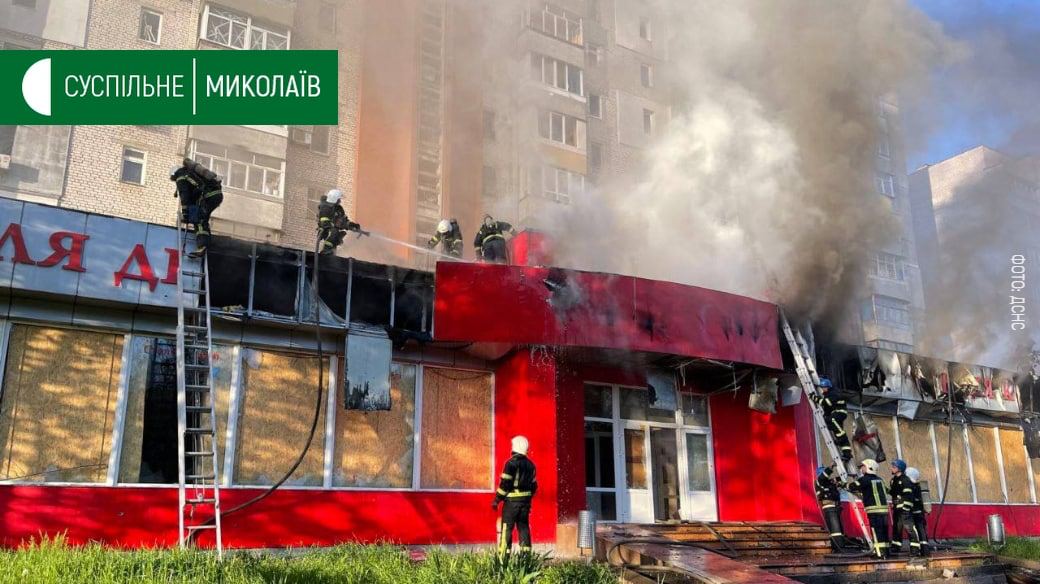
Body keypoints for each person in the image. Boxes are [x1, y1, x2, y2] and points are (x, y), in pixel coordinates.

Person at [492, 435, 537, 554]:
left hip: (511, 503)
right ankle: (525, 558)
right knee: (524, 528)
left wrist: (497, 500)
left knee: (507, 529)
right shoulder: (531, 465)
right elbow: (534, 486)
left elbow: (505, 484)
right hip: (525, 504)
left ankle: (503, 558)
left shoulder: (511, 463)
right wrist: (527, 500)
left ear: (516, 446)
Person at [170, 159, 223, 257]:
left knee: (199, 220)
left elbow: (185, 196)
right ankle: (205, 244)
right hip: (216, 195)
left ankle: (202, 246)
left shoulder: (180, 177)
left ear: (174, 175)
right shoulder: (190, 174)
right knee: (202, 218)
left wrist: (185, 214)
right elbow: (194, 194)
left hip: (208, 196)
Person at [848, 458, 890, 559]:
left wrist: (842, 484)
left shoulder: (864, 479)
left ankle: (879, 554)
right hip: (884, 510)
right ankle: (886, 552)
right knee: (884, 531)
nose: (861, 468)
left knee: (876, 531)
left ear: (868, 468)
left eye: (863, 466)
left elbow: (852, 486)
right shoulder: (880, 479)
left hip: (873, 510)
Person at [810, 377, 853, 463]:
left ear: (828, 387)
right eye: (822, 387)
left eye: (824, 387)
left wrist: (814, 397)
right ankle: (847, 454)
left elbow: (825, 403)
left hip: (840, 412)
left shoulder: (833, 393)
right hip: (836, 413)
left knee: (832, 421)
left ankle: (841, 437)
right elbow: (828, 408)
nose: (823, 389)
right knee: (836, 430)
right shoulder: (829, 393)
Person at [815, 465, 852, 552]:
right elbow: (824, 476)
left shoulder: (829, 482)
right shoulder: (819, 480)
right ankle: (838, 547)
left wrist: (845, 474)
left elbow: (838, 479)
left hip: (836, 506)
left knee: (839, 528)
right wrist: (831, 467)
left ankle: (841, 545)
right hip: (829, 506)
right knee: (835, 529)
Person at [317, 189, 363, 255]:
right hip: (325, 229)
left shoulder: (339, 208)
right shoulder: (325, 207)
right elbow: (324, 221)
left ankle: (331, 252)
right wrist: (334, 225)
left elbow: (344, 221)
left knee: (340, 234)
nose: (340, 201)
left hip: (334, 229)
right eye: (339, 199)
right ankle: (326, 250)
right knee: (335, 232)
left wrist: (353, 225)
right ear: (334, 199)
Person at [889, 459, 920, 555]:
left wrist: (906, 506)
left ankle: (915, 549)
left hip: (904, 509)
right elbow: (893, 493)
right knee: (897, 528)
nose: (891, 468)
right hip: (897, 508)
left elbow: (908, 494)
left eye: (894, 467)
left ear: (900, 469)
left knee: (909, 527)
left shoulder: (905, 480)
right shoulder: (894, 480)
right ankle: (896, 546)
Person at [905, 467, 930, 556]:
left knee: (914, 531)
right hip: (920, 513)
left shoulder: (911, 487)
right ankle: (925, 550)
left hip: (913, 513)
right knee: (921, 530)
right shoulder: (918, 486)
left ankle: (916, 550)